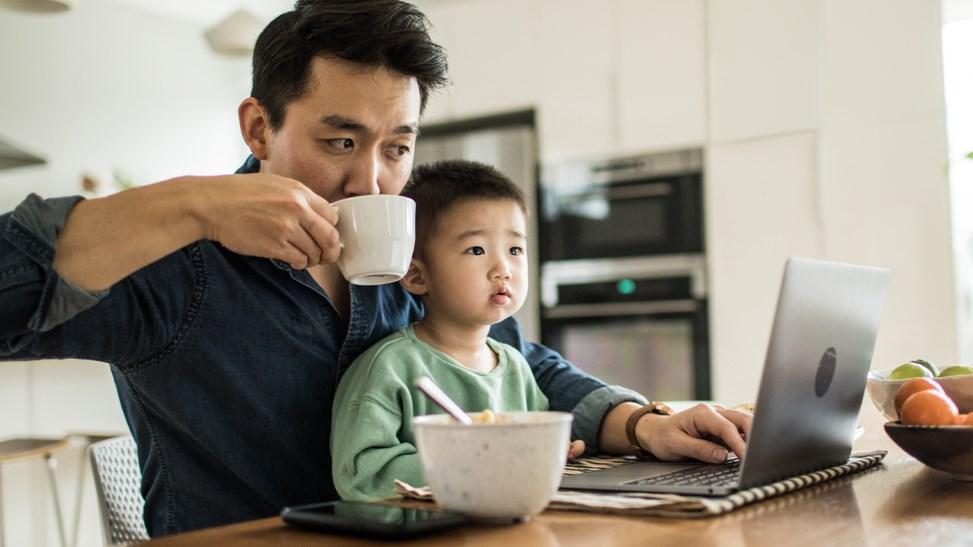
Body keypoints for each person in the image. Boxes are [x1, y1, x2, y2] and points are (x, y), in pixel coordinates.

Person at [0, 0, 750, 537]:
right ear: (259, 127)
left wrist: (642, 422)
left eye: (396, 147)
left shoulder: (411, 257)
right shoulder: (178, 267)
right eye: (339, 142)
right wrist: (198, 203)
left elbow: (516, 365)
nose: (372, 184)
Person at [332, 160, 584, 501]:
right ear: (418, 276)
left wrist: (549, 452)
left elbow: (523, 452)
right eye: (476, 249)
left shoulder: (516, 367)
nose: (503, 269)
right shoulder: (390, 367)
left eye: (515, 250)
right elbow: (363, 476)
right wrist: (476, 462)